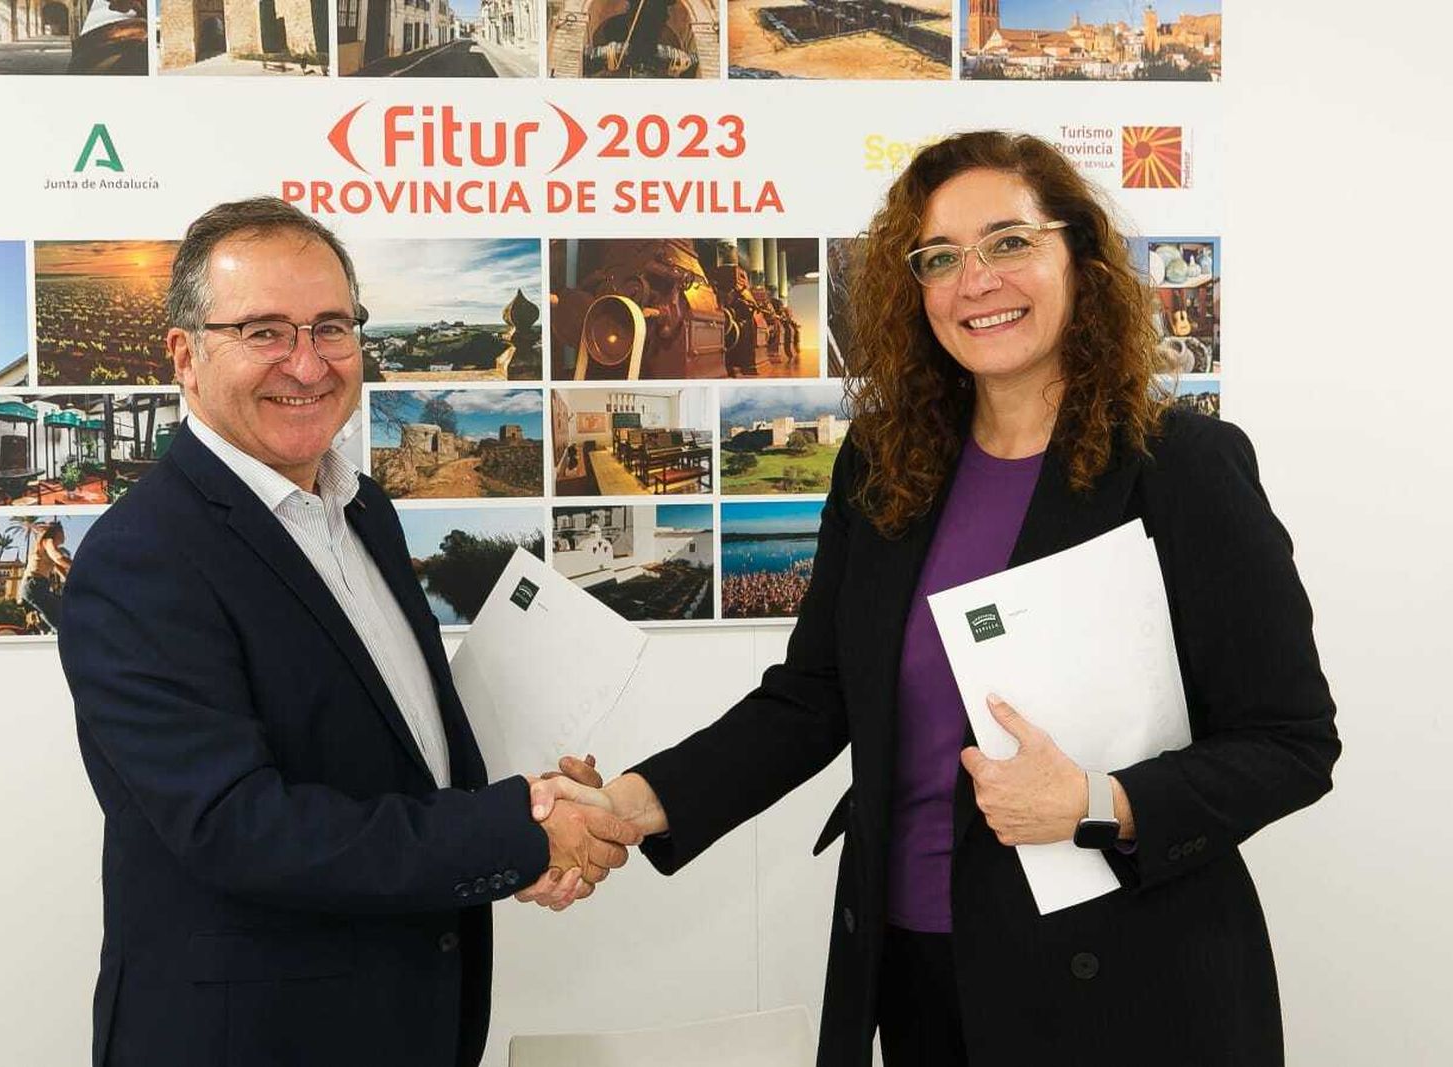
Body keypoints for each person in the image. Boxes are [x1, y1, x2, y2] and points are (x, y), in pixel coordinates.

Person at [533, 131, 1340, 1066]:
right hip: (913, 974)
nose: (976, 280)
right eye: (940, 258)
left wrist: (1097, 799)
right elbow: (814, 695)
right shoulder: (885, 464)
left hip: (1125, 985)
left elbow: (1291, 740)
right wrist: (631, 804)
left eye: (1009, 242)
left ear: (1077, 255)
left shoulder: (1181, 467)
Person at [57, 197, 640, 1067]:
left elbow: (392, 751)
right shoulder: (140, 559)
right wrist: (515, 832)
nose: (307, 363)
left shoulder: (361, 507)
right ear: (185, 355)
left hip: (407, 1019)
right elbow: (239, 825)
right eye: (264, 331)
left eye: (331, 327)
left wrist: (525, 797)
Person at [20, 520, 71, 632]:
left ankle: (45, 630)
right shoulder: (48, 541)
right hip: (35, 586)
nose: (64, 535)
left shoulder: (47, 548)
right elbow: (59, 558)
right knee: (60, 622)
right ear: (57, 532)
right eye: (63, 532)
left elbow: (60, 568)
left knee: (61, 608)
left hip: (35, 587)